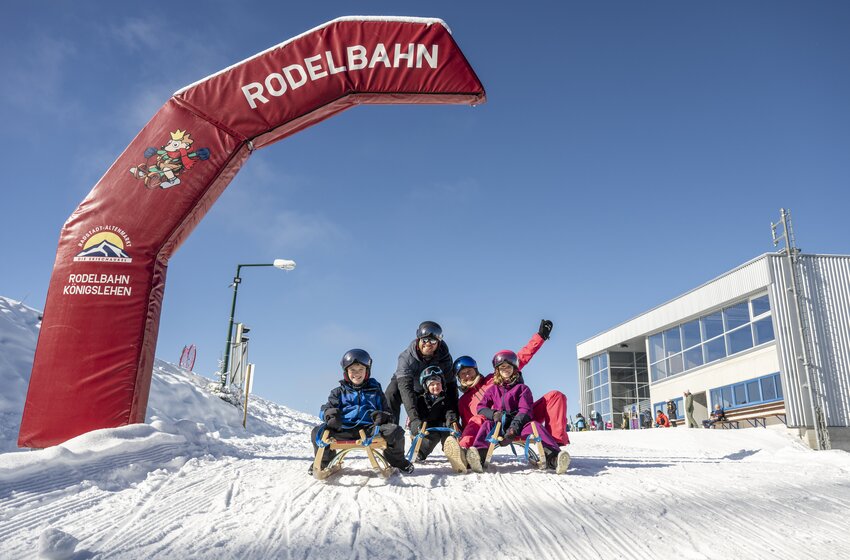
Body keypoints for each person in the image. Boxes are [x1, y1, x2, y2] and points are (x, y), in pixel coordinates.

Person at [453, 320, 569, 460]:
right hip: (492, 427)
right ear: (459, 379)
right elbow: (468, 425)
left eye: (469, 371)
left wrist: (540, 337)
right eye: (462, 374)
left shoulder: (494, 378)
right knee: (477, 418)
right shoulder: (464, 401)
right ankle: (463, 452)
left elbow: (519, 358)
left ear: (476, 370)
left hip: (521, 419)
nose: (467, 375)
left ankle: (554, 448)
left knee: (555, 396)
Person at [310, 349, 414, 475]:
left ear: (367, 371)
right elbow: (325, 410)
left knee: (395, 431)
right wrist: (330, 416)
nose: (356, 373)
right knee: (317, 432)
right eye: (352, 370)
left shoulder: (375, 391)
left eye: (360, 370)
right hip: (344, 428)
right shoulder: (338, 392)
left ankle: (397, 461)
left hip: (369, 429)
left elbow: (388, 413)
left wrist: (383, 417)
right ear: (346, 372)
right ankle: (323, 461)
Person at [467, 351, 570, 474]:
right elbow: (481, 407)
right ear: (497, 370)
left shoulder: (522, 389)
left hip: (520, 425)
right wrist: (494, 414)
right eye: (502, 367)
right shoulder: (493, 390)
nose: (506, 369)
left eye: (509, 366)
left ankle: (554, 457)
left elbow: (525, 410)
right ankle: (479, 455)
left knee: (535, 426)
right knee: (486, 426)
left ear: (514, 368)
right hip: (500, 424)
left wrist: (513, 429)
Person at [385, 321, 457, 436]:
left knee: (444, 394)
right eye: (425, 340)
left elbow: (451, 385)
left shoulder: (444, 357)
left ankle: (446, 432)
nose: (428, 344)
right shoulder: (407, 358)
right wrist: (414, 419)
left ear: (438, 342)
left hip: (429, 385)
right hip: (409, 384)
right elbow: (406, 389)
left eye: (433, 341)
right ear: (419, 339)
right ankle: (391, 433)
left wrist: (454, 417)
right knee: (391, 392)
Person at [410, 366, 465, 471]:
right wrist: (421, 423)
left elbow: (449, 411)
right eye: (432, 384)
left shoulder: (445, 398)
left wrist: (452, 421)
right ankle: (420, 452)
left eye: (438, 383)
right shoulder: (422, 400)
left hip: (443, 425)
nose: (436, 386)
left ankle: (451, 451)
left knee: (449, 434)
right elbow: (420, 413)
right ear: (426, 387)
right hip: (429, 426)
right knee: (430, 439)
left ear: (442, 384)